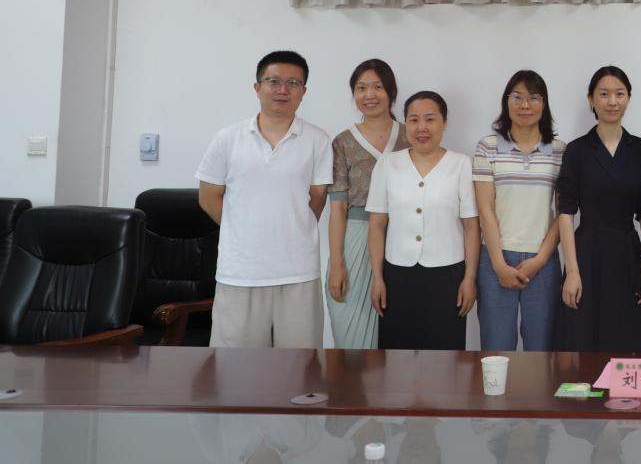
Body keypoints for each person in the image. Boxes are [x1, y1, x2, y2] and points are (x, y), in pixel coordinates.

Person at [195, 50, 333, 348]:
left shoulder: (317, 140)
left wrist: (289, 227)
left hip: (298, 270)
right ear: (257, 87)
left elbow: (318, 197)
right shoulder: (228, 138)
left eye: (293, 83)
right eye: (273, 81)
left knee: (299, 363)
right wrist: (242, 228)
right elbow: (208, 197)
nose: (283, 90)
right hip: (241, 271)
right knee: (235, 366)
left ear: (304, 91)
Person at [555, 66, 641, 352]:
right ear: (591, 99)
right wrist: (572, 270)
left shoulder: (640, 149)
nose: (612, 101)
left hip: (627, 254)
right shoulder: (577, 150)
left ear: (628, 98)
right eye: (604, 94)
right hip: (587, 253)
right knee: (583, 338)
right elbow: (566, 212)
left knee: (625, 339)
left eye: (620, 94)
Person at [366, 91, 479, 349]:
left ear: (444, 122)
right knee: (396, 354)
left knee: (445, 353)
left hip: (447, 275)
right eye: (414, 120)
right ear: (406, 123)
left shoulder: (461, 164)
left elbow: (472, 228)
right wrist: (378, 278)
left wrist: (469, 278)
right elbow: (377, 225)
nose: (422, 128)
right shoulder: (387, 164)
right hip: (397, 274)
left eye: (430, 119)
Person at [473, 69, 565, 351]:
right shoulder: (487, 147)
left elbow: (563, 213)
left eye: (534, 98)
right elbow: (485, 210)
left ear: (544, 103)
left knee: (541, 350)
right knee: (497, 349)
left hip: (543, 260)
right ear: (506, 101)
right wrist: (499, 264)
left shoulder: (560, 151)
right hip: (496, 258)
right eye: (517, 97)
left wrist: (540, 259)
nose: (526, 105)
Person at [325, 59, 407, 349]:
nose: (369, 95)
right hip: (356, 239)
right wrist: (337, 264)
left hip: (403, 238)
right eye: (361, 88)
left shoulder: (411, 135)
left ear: (391, 92)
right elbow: (337, 209)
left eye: (377, 87)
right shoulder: (342, 142)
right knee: (352, 338)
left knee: (401, 331)